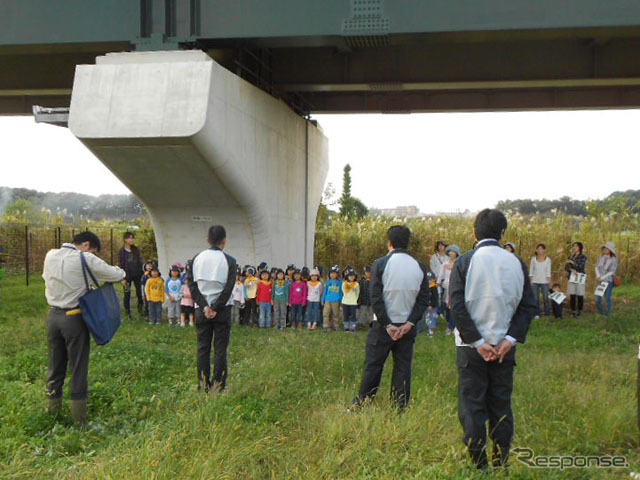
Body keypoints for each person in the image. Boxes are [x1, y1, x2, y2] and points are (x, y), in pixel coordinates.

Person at [449, 209, 536, 471]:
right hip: (503, 347)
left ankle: (479, 464)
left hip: (470, 348)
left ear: (474, 233)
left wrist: (477, 342)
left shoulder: (464, 262)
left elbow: (457, 306)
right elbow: (528, 306)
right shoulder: (516, 262)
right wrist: (509, 339)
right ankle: (501, 462)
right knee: (501, 403)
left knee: (472, 403)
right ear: (502, 233)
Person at [42, 231, 125, 426]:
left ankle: (52, 412)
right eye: (94, 251)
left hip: (53, 317)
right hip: (74, 318)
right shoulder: (85, 258)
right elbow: (117, 274)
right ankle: (79, 419)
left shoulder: (50, 254)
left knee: (55, 365)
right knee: (78, 367)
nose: (94, 255)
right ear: (86, 245)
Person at [352, 225, 430, 409]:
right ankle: (399, 406)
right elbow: (423, 298)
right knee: (403, 368)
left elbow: (375, 298)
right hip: (407, 327)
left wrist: (387, 324)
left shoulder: (380, 264)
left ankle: (363, 402)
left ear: (390, 243)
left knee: (374, 365)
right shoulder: (419, 265)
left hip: (383, 326)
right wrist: (410, 322)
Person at [187, 225, 236, 394]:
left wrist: (205, 306)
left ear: (207, 239)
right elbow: (229, 287)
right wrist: (216, 307)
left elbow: (192, 286)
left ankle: (202, 385)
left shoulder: (196, 259)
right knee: (220, 348)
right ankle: (219, 386)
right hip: (222, 310)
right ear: (225, 241)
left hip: (202, 309)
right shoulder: (230, 261)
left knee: (203, 348)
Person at [118, 232, 143, 316]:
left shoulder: (136, 249)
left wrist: (142, 273)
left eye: (133, 238)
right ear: (125, 239)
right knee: (127, 293)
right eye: (129, 238)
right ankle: (127, 312)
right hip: (127, 276)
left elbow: (140, 262)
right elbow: (121, 265)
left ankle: (140, 308)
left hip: (138, 275)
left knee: (139, 292)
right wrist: (123, 278)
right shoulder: (122, 251)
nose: (131, 240)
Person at [438, 244, 460, 335]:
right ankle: (440, 314)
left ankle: (451, 327)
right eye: (450, 251)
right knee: (446, 305)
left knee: (452, 307)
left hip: (456, 287)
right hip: (446, 287)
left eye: (453, 251)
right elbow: (440, 276)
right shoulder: (445, 264)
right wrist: (438, 284)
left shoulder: (459, 263)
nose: (451, 253)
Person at [529, 243, 552, 318]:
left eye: (541, 249)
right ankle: (536, 313)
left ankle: (547, 313)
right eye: (538, 249)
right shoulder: (533, 259)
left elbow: (548, 272)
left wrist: (550, 282)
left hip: (545, 281)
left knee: (546, 298)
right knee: (536, 298)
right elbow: (531, 271)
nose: (539, 250)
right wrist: (530, 281)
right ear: (536, 250)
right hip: (535, 281)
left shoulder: (548, 260)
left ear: (544, 250)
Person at [565, 241, 587, 317]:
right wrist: (571, 270)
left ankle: (580, 311)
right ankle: (573, 311)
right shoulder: (571, 256)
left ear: (580, 248)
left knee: (580, 294)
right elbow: (566, 267)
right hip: (572, 277)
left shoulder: (583, 257)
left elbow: (580, 267)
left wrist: (572, 262)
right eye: (573, 246)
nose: (574, 247)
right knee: (572, 294)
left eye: (576, 246)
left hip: (580, 277)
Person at [595, 242, 618, 315]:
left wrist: (603, 277)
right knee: (598, 299)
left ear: (610, 250)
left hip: (608, 281)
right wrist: (598, 276)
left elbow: (612, 271)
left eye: (606, 248)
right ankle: (602, 312)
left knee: (607, 298)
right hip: (600, 281)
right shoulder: (601, 257)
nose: (605, 249)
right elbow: (596, 267)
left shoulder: (613, 259)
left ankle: (608, 314)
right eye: (604, 248)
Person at [322, 265, 343, 331]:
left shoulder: (340, 283)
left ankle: (336, 325)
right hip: (327, 300)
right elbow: (325, 291)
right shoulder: (328, 282)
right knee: (326, 313)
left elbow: (341, 292)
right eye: (331, 273)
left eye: (334, 273)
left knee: (336, 314)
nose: (332, 275)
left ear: (337, 274)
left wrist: (341, 300)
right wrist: (323, 299)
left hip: (336, 300)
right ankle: (326, 325)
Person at [342, 268, 360, 332]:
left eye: (353, 276)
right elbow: (343, 291)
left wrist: (355, 299)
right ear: (347, 276)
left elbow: (357, 293)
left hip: (353, 302)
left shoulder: (356, 284)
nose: (352, 277)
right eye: (350, 276)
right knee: (345, 314)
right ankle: (346, 325)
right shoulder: (344, 283)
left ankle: (353, 326)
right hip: (345, 302)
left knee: (353, 314)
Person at [179, 260, 195, 327]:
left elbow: (194, 293)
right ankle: (182, 322)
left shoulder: (192, 287)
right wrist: (182, 295)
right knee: (183, 312)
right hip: (183, 302)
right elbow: (180, 293)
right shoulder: (183, 286)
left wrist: (191, 296)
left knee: (191, 312)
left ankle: (191, 321)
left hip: (190, 301)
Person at [425, 271, 440, 337]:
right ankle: (429, 328)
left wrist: (432, 305)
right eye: (428, 279)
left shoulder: (433, 288)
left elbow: (435, 298)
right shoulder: (426, 287)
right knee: (428, 318)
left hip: (432, 306)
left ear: (434, 279)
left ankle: (431, 331)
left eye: (431, 279)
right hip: (427, 306)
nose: (429, 281)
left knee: (432, 318)